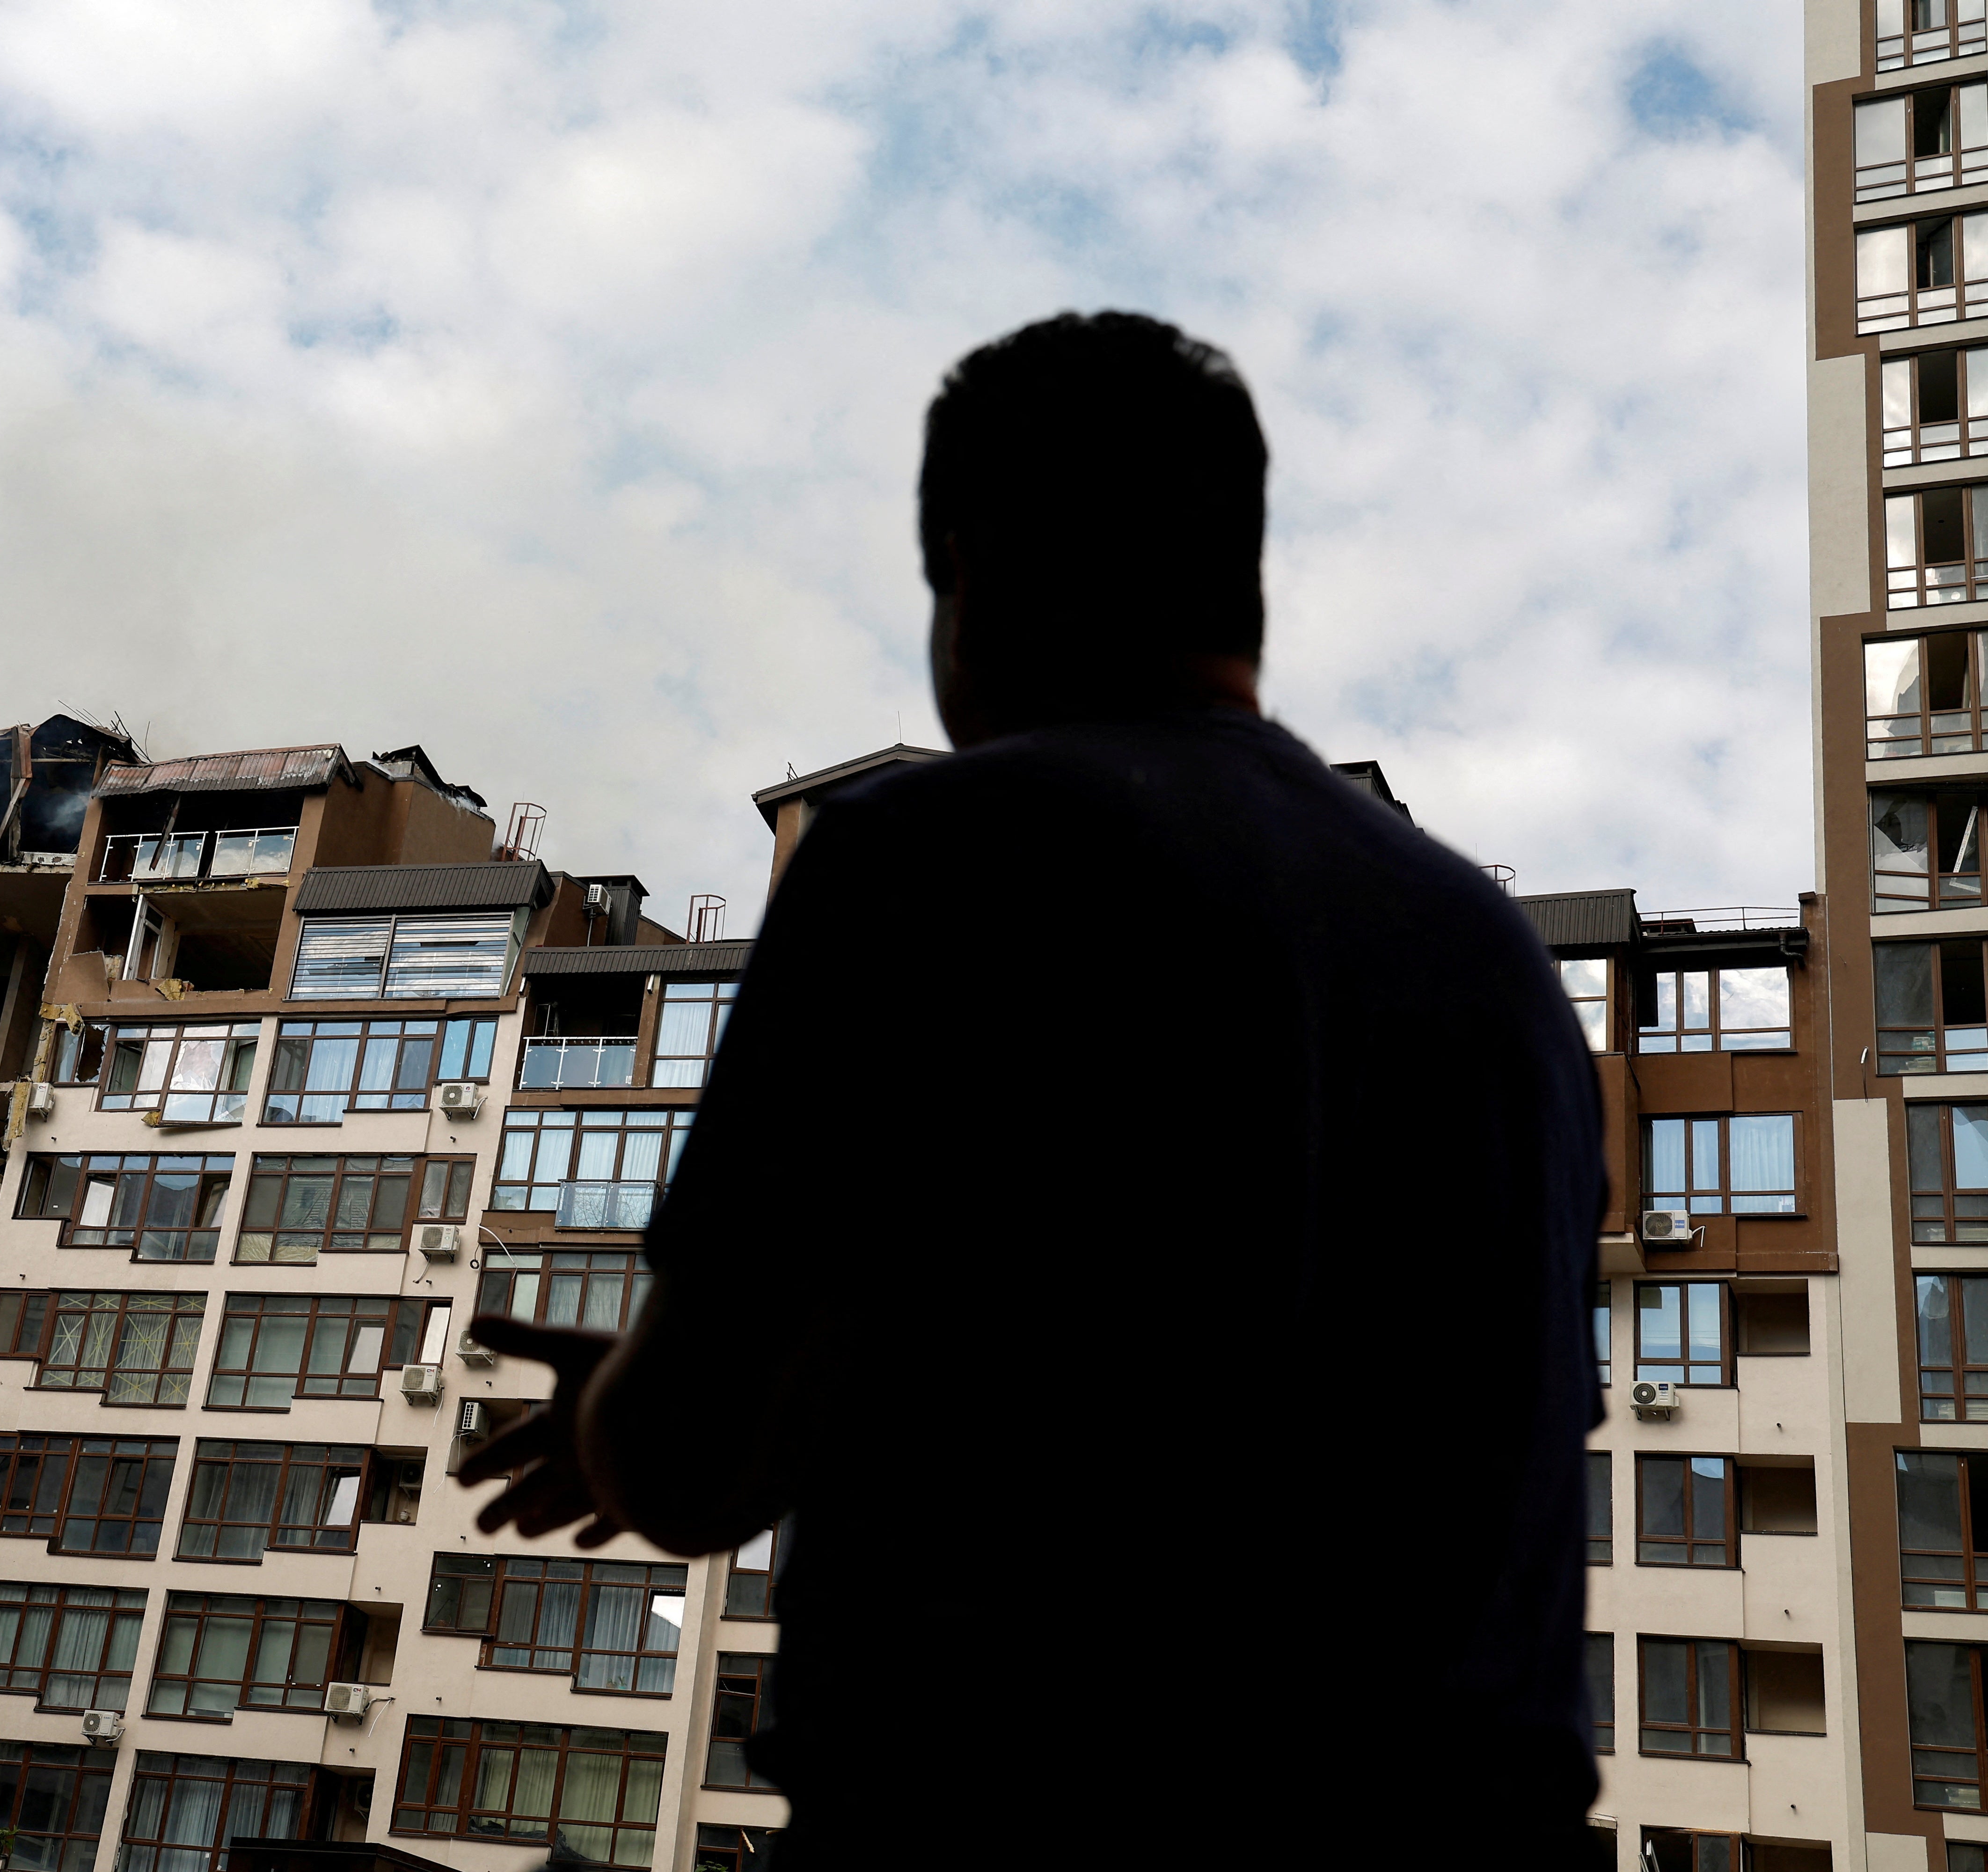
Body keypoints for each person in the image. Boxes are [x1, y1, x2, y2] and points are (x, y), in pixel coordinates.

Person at [463, 312, 1604, 1868]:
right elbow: (1227, 1392)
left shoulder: (927, 857)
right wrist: (795, 1373)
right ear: (1241, 582)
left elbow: (687, 1464)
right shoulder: (1498, 963)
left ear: (966, 572)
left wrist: (636, 1412)